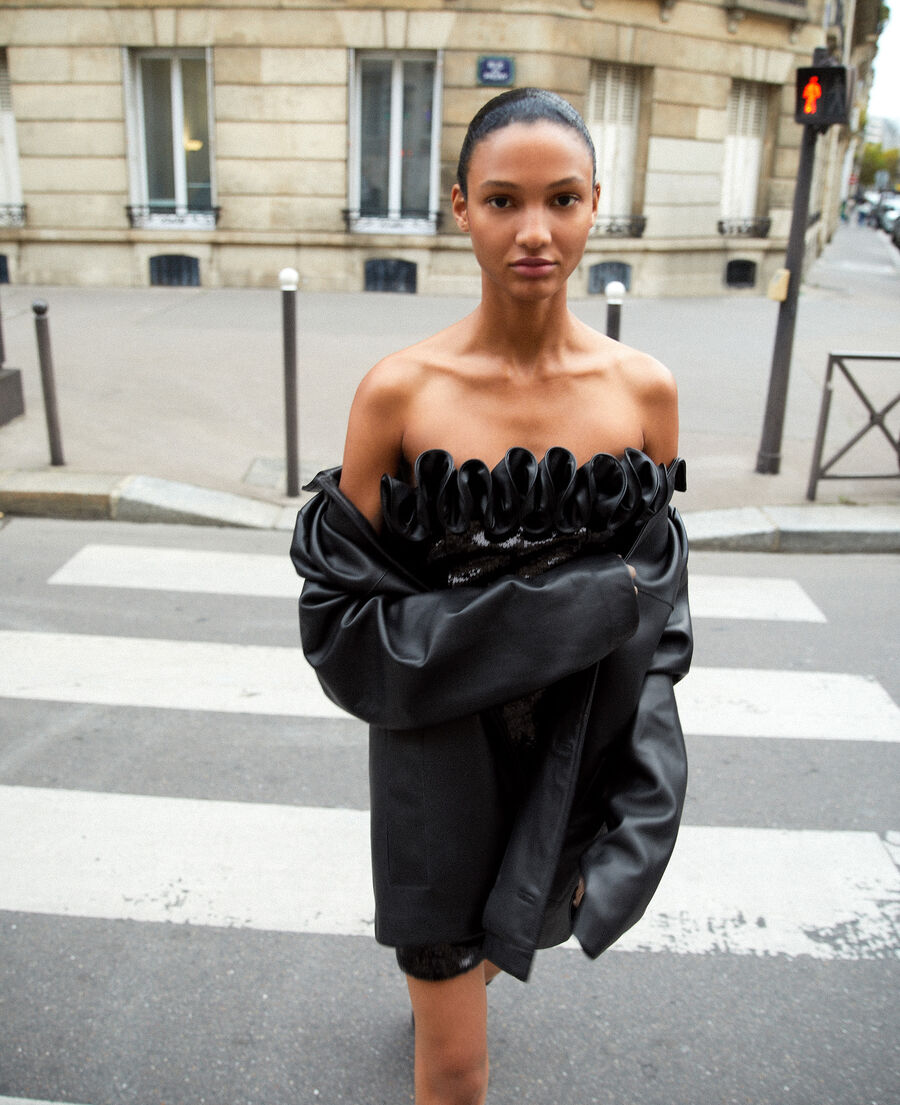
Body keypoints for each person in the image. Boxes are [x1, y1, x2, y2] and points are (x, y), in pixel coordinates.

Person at [291, 87, 692, 1105]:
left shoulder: (643, 393)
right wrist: (566, 609)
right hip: (434, 765)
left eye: (562, 199)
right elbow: (345, 629)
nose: (535, 231)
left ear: (597, 204)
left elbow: (656, 628)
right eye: (505, 200)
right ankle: (441, 989)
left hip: (570, 757)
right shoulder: (400, 393)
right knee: (458, 1071)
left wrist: (644, 807)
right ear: (460, 205)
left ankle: (451, 978)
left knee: (494, 954)